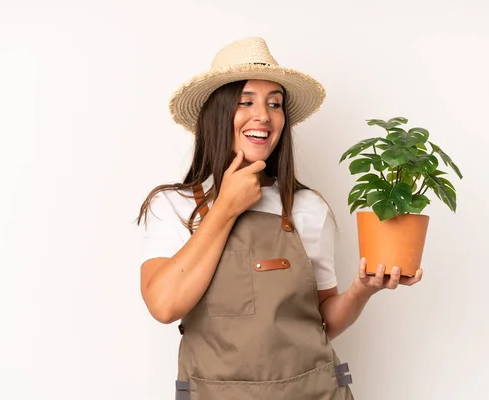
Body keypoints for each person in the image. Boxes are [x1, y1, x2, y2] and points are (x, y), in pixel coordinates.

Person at [137, 36, 423, 400]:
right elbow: (163, 305)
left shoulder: (307, 207)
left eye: (275, 104)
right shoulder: (173, 206)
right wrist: (226, 207)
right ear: (217, 113)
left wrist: (361, 290)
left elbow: (322, 322)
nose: (264, 115)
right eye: (246, 101)